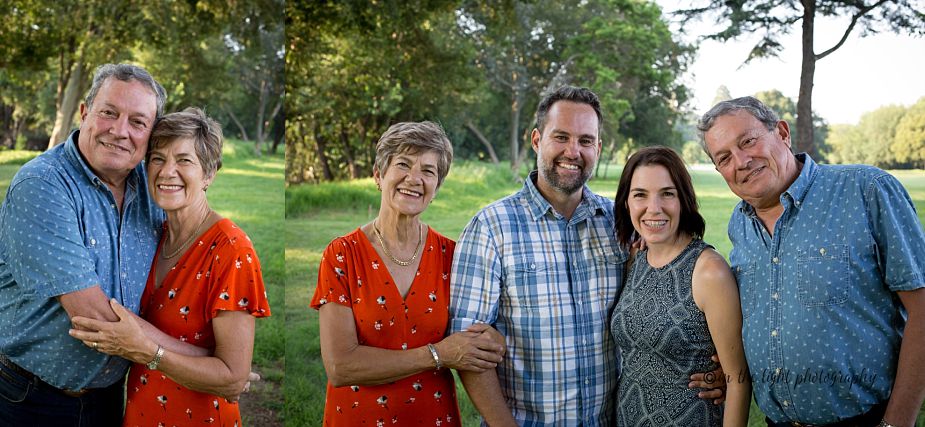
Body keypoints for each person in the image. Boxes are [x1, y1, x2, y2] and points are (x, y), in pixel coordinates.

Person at [449, 86, 724, 426]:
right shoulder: (491, 228)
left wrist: (718, 366)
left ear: (598, 148)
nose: (573, 151)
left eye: (585, 140)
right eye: (561, 137)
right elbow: (468, 350)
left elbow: (676, 293)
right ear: (536, 140)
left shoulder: (621, 224)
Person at [0, 63, 208, 426]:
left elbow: (194, 250)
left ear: (151, 134)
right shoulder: (43, 185)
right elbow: (95, 320)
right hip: (31, 397)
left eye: (138, 122)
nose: (120, 131)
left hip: (112, 396)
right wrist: (206, 363)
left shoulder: (151, 184)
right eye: (109, 113)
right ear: (85, 113)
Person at [699, 96, 925, 427]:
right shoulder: (740, 223)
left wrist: (896, 423)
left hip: (865, 418)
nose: (742, 161)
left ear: (782, 133)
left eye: (748, 141)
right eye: (724, 157)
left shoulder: (866, 190)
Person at [68, 107, 271, 426]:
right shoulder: (151, 236)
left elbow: (232, 377)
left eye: (184, 160)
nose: (167, 172)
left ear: (209, 174)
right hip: (142, 413)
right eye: (158, 159)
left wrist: (148, 352)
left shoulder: (231, 250)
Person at [311, 121, 506, 426]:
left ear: (436, 187)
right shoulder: (342, 255)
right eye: (403, 164)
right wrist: (438, 355)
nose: (414, 179)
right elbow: (341, 367)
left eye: (428, 171)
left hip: (434, 417)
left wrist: (494, 338)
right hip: (357, 418)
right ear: (379, 175)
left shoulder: (453, 256)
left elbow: (475, 337)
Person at [610, 146, 750, 426]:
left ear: (683, 200)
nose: (654, 208)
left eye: (667, 194)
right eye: (640, 195)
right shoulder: (635, 259)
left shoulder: (709, 271)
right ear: (626, 202)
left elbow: (738, 380)